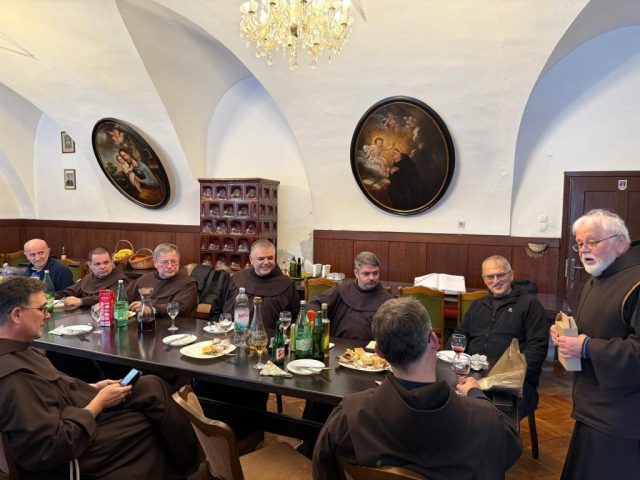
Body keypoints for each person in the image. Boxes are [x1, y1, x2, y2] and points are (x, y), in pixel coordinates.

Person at [0, 276, 201, 480]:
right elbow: (49, 447)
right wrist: (99, 402)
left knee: (152, 385)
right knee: (150, 422)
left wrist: (94, 387)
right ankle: (189, 468)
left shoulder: (20, 351)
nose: (47, 315)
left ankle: (190, 465)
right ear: (17, 315)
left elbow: (52, 390)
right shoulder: (14, 377)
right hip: (72, 449)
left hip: (74, 411)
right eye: (42, 309)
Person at [313, 297, 521, 480]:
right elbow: (508, 449)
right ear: (434, 340)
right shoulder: (484, 419)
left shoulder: (351, 413)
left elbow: (324, 467)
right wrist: (476, 394)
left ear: (379, 352)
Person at [550, 209, 640, 479]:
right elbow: (598, 327)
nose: (583, 250)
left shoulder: (635, 282)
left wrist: (587, 347)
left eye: (592, 242)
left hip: (621, 417)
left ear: (620, 242)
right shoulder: (601, 274)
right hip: (592, 405)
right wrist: (566, 333)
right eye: (579, 244)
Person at [453, 255, 548, 418]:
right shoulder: (477, 305)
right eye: (490, 276)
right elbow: (459, 335)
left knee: (490, 415)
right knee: (448, 403)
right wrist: (456, 359)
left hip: (512, 382)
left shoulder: (530, 305)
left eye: (501, 275)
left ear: (511, 275)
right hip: (474, 375)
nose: (496, 281)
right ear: (484, 279)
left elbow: (538, 348)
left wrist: (515, 377)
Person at [308, 251, 392, 341]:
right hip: (338, 345)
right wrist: (319, 322)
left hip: (371, 348)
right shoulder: (341, 290)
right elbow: (313, 304)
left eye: (375, 273)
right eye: (366, 274)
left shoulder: (387, 300)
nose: (372, 278)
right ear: (356, 273)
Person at [219, 239, 300, 328]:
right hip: (234, 334)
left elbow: (295, 319)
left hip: (272, 336)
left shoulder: (287, 285)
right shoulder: (236, 279)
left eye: (270, 258)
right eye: (261, 258)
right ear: (251, 260)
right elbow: (218, 309)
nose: (266, 262)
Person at [128, 243, 198, 318]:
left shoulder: (188, 283)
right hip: (143, 322)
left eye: (174, 261)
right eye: (165, 262)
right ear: (155, 263)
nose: (170, 266)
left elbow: (180, 308)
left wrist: (151, 309)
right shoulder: (145, 279)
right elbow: (126, 297)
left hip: (175, 323)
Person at [54, 246, 128, 308]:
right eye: (97, 264)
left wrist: (81, 301)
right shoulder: (89, 277)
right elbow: (70, 291)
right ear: (90, 265)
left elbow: (109, 298)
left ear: (112, 262)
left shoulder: (120, 279)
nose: (102, 267)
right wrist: (51, 297)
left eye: (106, 262)